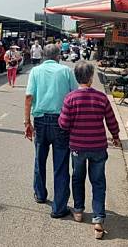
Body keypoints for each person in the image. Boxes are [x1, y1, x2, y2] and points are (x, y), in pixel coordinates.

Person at [59, 61, 121, 239]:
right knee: (98, 182)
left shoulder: (70, 98)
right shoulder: (101, 97)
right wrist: (115, 136)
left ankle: (78, 211)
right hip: (98, 147)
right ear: (91, 78)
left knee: (78, 178)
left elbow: (63, 124)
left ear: (76, 78)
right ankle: (98, 219)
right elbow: (111, 121)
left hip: (77, 147)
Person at [24, 44, 78, 218]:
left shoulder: (35, 71)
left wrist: (27, 122)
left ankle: (40, 194)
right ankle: (59, 207)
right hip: (61, 122)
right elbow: (74, 96)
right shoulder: (66, 71)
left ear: (43, 56)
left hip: (39, 121)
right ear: (58, 56)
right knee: (61, 165)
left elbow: (28, 97)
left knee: (39, 159)